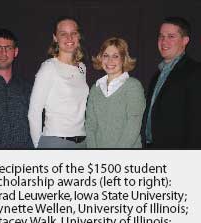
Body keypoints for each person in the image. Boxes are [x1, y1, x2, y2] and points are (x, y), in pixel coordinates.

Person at [28, 16, 89, 148]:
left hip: (82, 143)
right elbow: (34, 111)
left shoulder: (82, 68)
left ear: (79, 37)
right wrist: (39, 147)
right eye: (63, 34)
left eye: (73, 33)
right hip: (55, 142)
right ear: (55, 38)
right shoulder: (49, 67)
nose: (69, 38)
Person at [142, 17, 201, 149]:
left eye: (171, 36)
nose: (164, 41)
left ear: (185, 41)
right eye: (161, 36)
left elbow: (197, 123)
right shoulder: (157, 75)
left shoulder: (195, 72)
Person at [85, 37, 145, 148]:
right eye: (106, 55)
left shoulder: (133, 86)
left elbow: (133, 125)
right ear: (101, 58)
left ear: (123, 59)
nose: (109, 61)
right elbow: (90, 125)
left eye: (115, 56)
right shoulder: (95, 89)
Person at [0, 28, 33, 149]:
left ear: (15, 52)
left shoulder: (28, 89)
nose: (3, 53)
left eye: (8, 48)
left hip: (26, 164)